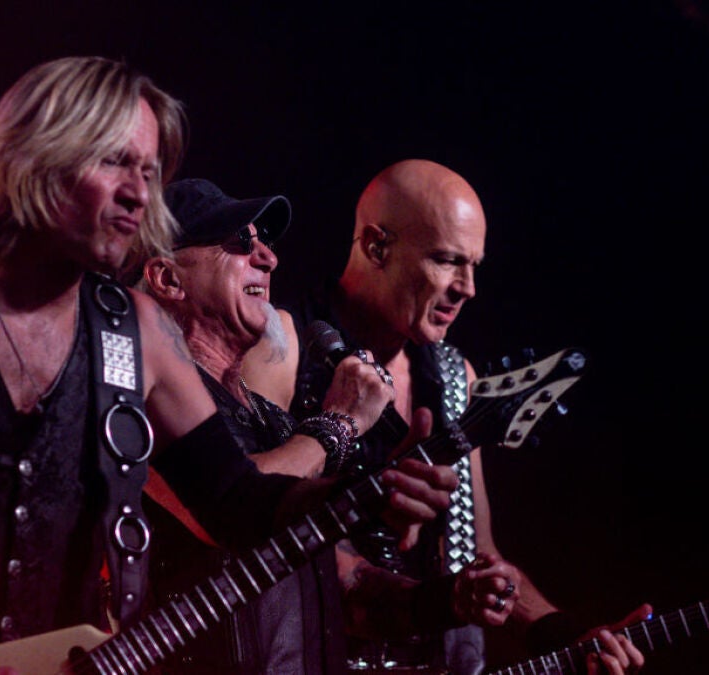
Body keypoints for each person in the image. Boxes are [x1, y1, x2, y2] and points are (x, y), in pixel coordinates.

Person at [0, 58, 455, 675]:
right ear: (34, 158)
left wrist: (367, 487)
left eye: (150, 173)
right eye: (113, 162)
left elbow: (239, 505)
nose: (138, 194)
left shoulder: (137, 332)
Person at [242, 159, 650, 675]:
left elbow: (476, 552)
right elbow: (247, 525)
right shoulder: (282, 346)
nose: (468, 287)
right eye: (447, 260)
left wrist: (563, 635)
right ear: (376, 247)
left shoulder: (455, 378)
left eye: (474, 265)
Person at [137, 178, 524, 674]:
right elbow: (233, 505)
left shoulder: (273, 420)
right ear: (167, 279)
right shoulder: (142, 401)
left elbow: (350, 590)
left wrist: (449, 600)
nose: (268, 258)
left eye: (264, 243)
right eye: (239, 243)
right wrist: (341, 422)